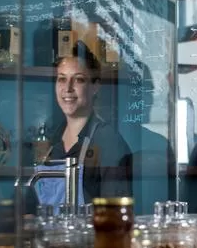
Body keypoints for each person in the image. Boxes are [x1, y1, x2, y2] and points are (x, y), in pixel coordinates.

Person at [32, 41, 132, 211]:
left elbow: (114, 214)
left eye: (78, 79)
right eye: (62, 79)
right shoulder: (49, 142)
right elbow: (28, 201)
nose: (68, 88)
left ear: (95, 86)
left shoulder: (108, 141)